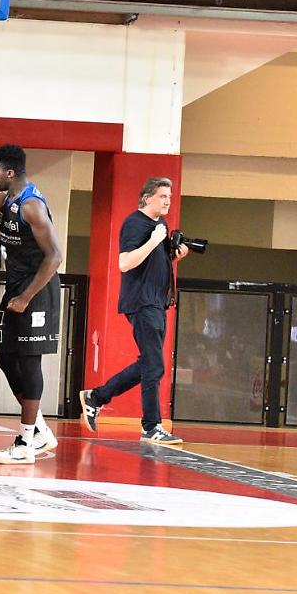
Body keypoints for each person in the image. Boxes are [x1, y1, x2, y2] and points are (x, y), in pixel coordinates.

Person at [78, 177, 187, 444]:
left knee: (150, 364)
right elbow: (125, 263)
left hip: (157, 302)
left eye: (169, 197)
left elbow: (153, 262)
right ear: (147, 198)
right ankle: (151, 426)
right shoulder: (135, 223)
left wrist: (174, 255)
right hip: (142, 302)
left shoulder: (160, 225)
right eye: (163, 196)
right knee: (154, 366)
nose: (168, 201)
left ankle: (96, 397)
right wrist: (154, 240)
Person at [0, 144, 62, 465]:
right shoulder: (9, 198)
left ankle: (25, 443)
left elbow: (55, 256)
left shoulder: (31, 205)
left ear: (10, 172)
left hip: (37, 291)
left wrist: (26, 297)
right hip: (16, 287)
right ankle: (39, 429)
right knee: (6, 359)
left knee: (28, 362)